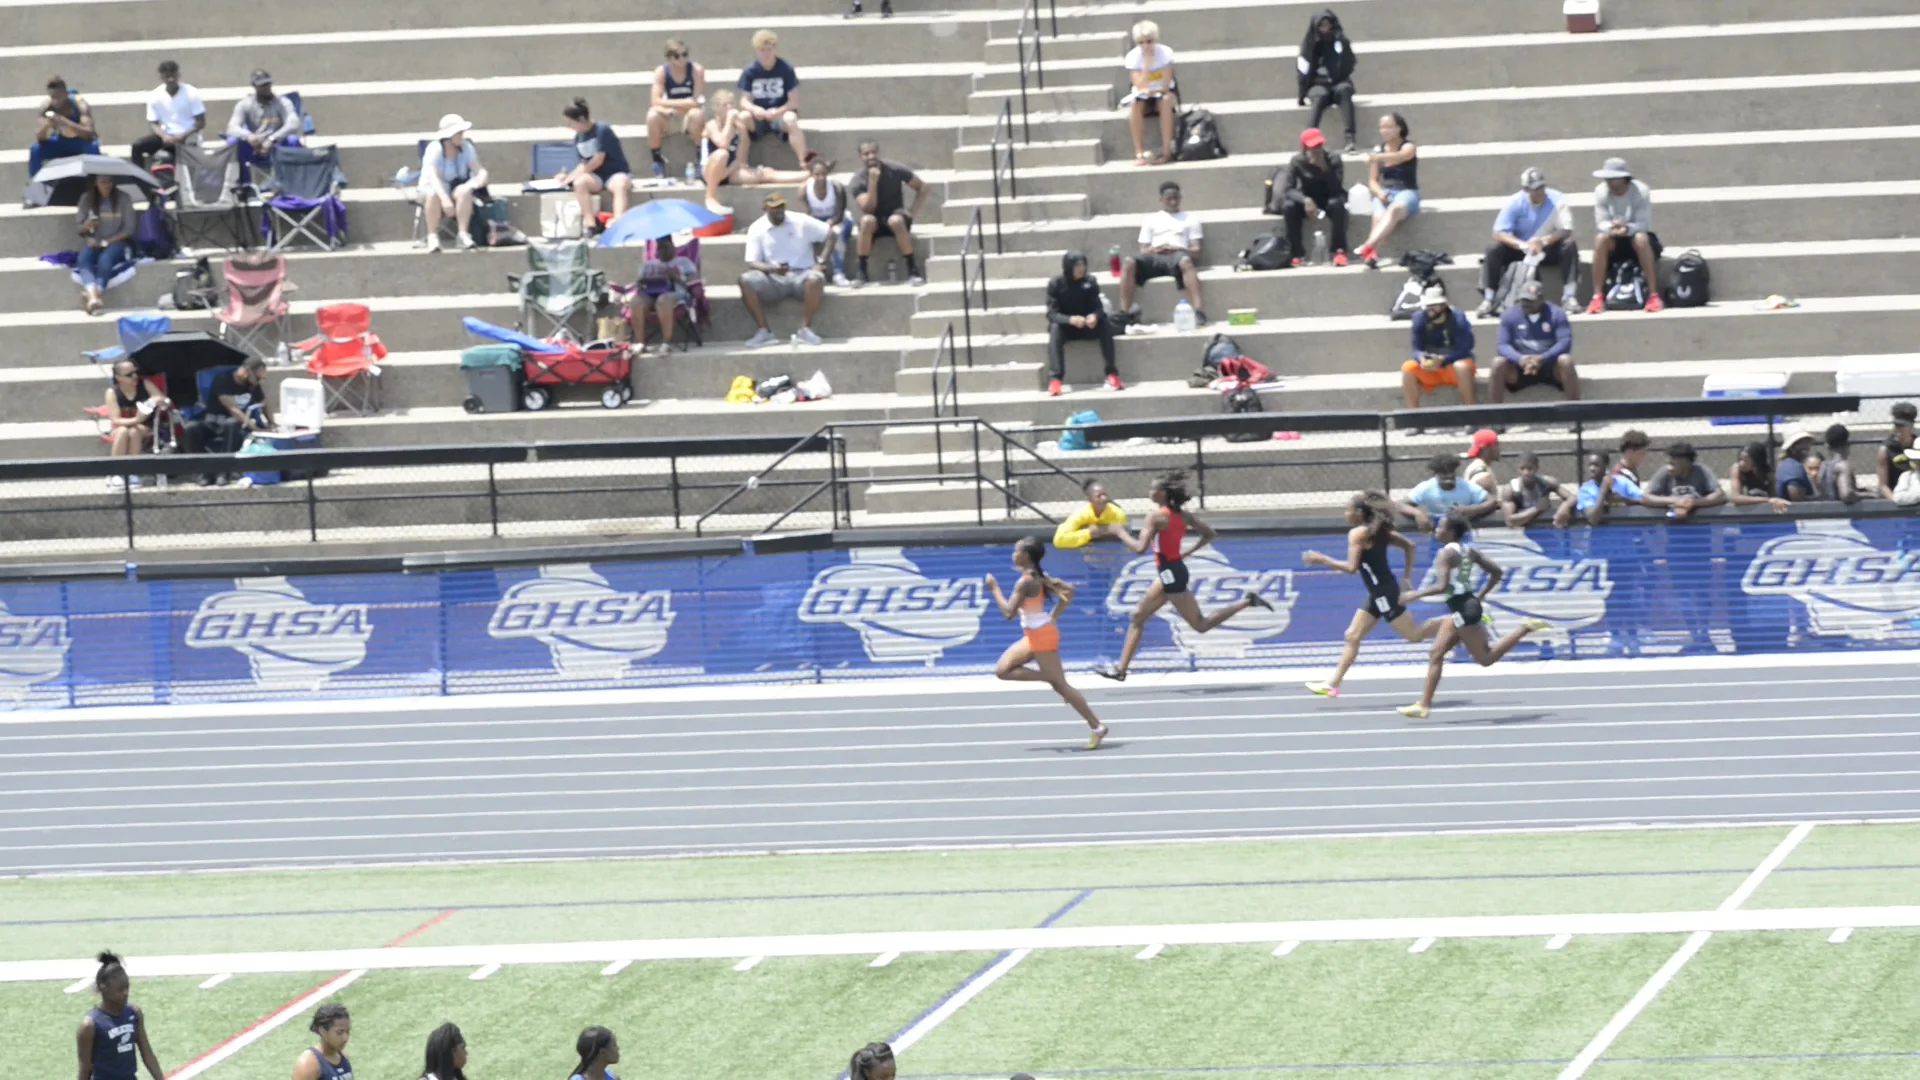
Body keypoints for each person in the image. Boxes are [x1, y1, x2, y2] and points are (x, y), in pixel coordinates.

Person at [1096, 471, 1274, 682]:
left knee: (1200, 625)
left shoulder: (1156, 517)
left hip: (1171, 575)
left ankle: (1248, 601)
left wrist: (1119, 532)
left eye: (1153, 489)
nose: (1149, 492)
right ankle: (1121, 670)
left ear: (1162, 493)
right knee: (1137, 617)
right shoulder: (1183, 516)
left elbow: (1139, 548)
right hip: (1171, 572)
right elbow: (1210, 534)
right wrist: (1187, 553)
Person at [1395, 511, 1551, 719]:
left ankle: (1525, 627)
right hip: (1465, 607)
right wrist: (1479, 597)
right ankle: (1423, 705)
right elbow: (1496, 572)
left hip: (1463, 611)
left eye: (1441, 527)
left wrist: (1414, 595)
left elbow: (1442, 586)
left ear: (1451, 531)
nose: (1437, 530)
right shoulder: (1469, 551)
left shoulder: (1445, 554)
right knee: (1436, 654)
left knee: (1485, 659)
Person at [1302, 491, 1444, 698]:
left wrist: (1321, 559)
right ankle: (1332, 685)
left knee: (1414, 635)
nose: (1345, 514)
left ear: (1359, 513)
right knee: (1352, 635)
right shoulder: (1378, 531)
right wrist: (1406, 577)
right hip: (1379, 591)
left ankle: (1457, 621)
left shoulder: (1359, 533)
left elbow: (1351, 567)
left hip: (1383, 593)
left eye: (1347, 510)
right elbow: (1410, 546)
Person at [986, 537, 1110, 749]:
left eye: (1017, 551)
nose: (1013, 555)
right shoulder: (1038, 577)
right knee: (1002, 670)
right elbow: (1069, 591)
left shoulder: (1026, 581)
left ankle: (1097, 727)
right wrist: (1053, 615)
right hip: (1035, 635)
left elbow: (1008, 612)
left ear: (1026, 556)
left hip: (1042, 637)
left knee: (1060, 685)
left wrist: (994, 588)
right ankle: (1049, 677)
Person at [1477, 167, 1577, 318]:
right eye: (1535, 189)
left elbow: (1566, 229)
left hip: (1547, 248)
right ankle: (1489, 299)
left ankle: (1569, 297)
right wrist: (1523, 245)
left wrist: (1542, 242)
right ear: (1525, 190)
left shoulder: (1557, 199)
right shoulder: (1515, 202)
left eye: (1541, 187)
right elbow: (1498, 232)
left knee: (1569, 245)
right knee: (1493, 249)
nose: (1539, 192)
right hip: (1521, 249)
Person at [740, 193, 829, 347]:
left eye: (781, 207)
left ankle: (805, 329)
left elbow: (831, 234)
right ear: (765, 209)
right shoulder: (756, 228)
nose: (778, 211)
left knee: (815, 279)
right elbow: (752, 262)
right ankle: (764, 331)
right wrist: (772, 268)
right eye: (774, 208)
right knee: (746, 280)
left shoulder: (801, 221)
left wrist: (821, 260)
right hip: (773, 278)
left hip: (802, 274)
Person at [698, 91, 808, 212]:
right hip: (710, 171)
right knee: (722, 154)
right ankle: (710, 197)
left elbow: (741, 160)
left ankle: (808, 175)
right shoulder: (711, 125)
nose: (730, 108)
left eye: (731, 104)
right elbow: (722, 144)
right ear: (716, 109)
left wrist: (727, 172)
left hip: (730, 171)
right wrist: (730, 121)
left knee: (765, 173)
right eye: (725, 105)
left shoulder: (739, 127)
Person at [1119, 181, 1206, 323]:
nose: (1173, 202)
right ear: (1161, 200)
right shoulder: (1150, 219)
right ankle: (1124, 312)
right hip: (1154, 256)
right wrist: (1154, 250)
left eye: (1176, 198)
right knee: (1129, 262)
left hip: (1177, 255)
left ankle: (1199, 311)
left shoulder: (1191, 219)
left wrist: (1178, 249)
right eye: (1169, 199)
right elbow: (1143, 249)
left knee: (1186, 262)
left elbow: (1197, 251)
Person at [847, 142, 928, 287]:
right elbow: (868, 209)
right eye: (866, 154)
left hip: (896, 217)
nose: (871, 156)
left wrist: (912, 212)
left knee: (895, 220)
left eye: (873, 152)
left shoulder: (894, 169)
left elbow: (922, 187)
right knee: (866, 221)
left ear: (878, 153)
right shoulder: (858, 180)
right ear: (861, 157)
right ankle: (862, 271)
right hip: (875, 221)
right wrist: (872, 183)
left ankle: (912, 270)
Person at [1589, 157, 1663, 314]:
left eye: (1612, 178)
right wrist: (1612, 229)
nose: (1608, 182)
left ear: (1623, 178)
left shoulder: (1641, 191)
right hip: (1614, 239)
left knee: (1641, 239)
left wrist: (1627, 229)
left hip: (1637, 237)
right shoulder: (1600, 191)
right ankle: (1597, 297)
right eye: (1607, 178)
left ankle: (1653, 295)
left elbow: (1643, 223)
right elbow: (1601, 222)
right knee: (1600, 239)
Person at [76, 951, 164, 1080]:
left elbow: (148, 1055)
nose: (125, 993)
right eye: (120, 989)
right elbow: (85, 1069)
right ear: (103, 988)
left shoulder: (134, 1013)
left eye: (127, 988)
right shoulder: (90, 1025)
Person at [1045, 251, 1122, 395]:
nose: (1081, 269)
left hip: (1087, 326)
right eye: (1077, 265)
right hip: (1067, 328)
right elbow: (1052, 314)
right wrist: (1070, 320)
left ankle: (1112, 374)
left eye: (1083, 265)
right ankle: (1055, 379)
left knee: (1105, 324)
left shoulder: (1090, 281)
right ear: (1068, 267)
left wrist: (1095, 316)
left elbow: (1099, 308)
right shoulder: (1056, 284)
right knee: (1055, 329)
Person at [1491, 280, 1578, 402]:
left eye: (1530, 300)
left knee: (1566, 361)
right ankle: (1494, 417)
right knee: (1497, 363)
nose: (1525, 304)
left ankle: (1576, 413)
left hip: (1549, 366)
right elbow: (1502, 345)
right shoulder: (1509, 316)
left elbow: (1564, 343)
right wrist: (1520, 359)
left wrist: (1542, 358)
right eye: (1523, 299)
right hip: (1520, 369)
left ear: (1541, 298)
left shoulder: (1557, 314)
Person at [558, 98, 631, 233]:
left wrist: (576, 175)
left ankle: (619, 223)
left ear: (581, 118)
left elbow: (599, 159)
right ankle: (591, 224)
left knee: (620, 185)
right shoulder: (578, 137)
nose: (569, 126)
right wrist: (569, 177)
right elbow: (583, 163)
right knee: (579, 183)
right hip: (596, 176)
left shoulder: (602, 130)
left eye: (571, 122)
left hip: (614, 173)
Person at [738, 30, 809, 166]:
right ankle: (741, 163)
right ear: (756, 51)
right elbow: (743, 100)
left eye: (769, 49)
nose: (766, 54)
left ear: (775, 49)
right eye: (762, 50)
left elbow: (793, 102)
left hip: (780, 114)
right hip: (759, 116)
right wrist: (755, 109)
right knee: (742, 117)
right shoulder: (750, 71)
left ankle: (803, 162)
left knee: (791, 119)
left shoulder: (786, 69)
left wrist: (777, 112)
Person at [419, 113, 487, 253]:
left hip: (456, 187)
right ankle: (432, 236)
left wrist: (480, 178)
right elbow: (433, 177)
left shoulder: (466, 147)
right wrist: (445, 198)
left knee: (464, 191)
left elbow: (478, 169)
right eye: (458, 133)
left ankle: (462, 234)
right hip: (434, 188)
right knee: (433, 193)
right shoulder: (435, 148)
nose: (462, 136)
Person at [1402, 286, 1475, 415]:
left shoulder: (1457, 318)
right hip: (1431, 368)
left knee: (1462, 367)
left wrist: (1443, 360)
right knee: (1408, 368)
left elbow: (1465, 348)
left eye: (1435, 305)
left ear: (1444, 305)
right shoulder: (1419, 318)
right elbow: (1416, 348)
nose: (1431, 309)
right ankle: (1413, 417)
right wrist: (1421, 358)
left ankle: (1470, 413)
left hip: (1453, 364)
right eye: (1428, 305)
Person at [1355, 112, 1416, 268]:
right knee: (1379, 215)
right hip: (1386, 192)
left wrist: (1375, 157)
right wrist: (1379, 192)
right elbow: (1373, 181)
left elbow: (1400, 156)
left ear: (1399, 128)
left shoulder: (1408, 146)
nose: (1384, 131)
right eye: (1382, 127)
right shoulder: (1378, 151)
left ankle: (1368, 245)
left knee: (1395, 209)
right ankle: (1372, 255)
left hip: (1406, 191)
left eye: (1389, 127)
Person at [199, 356, 275, 478]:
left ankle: (224, 471)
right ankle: (204, 470)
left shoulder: (252, 385)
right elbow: (233, 409)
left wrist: (272, 423)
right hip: (215, 421)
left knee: (233, 423)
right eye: (258, 377)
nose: (259, 381)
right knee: (191, 428)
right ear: (248, 371)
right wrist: (256, 429)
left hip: (235, 425)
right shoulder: (223, 380)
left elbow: (265, 403)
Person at [102, 359, 171, 488]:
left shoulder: (144, 384)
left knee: (134, 431)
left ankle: (133, 472)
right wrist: (137, 419)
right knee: (123, 431)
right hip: (121, 427)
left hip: (144, 428)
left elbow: (161, 398)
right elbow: (116, 420)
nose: (135, 377)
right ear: (118, 378)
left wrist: (153, 401)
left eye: (136, 373)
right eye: (129, 375)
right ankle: (116, 473)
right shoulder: (112, 393)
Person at [1295, 9, 1357, 153]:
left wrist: (1342, 46)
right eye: (1321, 26)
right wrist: (1301, 96)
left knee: (1345, 90)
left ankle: (1350, 138)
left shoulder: (1340, 42)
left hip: (1338, 83)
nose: (1325, 29)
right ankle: (1308, 143)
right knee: (1320, 96)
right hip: (1317, 85)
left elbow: (1350, 63)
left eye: (1327, 25)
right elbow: (1302, 72)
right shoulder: (1308, 46)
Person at [74, 175, 137, 316]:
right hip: (95, 241)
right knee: (84, 258)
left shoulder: (123, 198)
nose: (107, 185)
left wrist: (106, 242)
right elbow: (79, 229)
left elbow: (129, 229)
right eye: (103, 182)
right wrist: (87, 226)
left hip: (118, 241)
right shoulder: (87, 199)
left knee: (106, 258)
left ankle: (95, 294)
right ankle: (93, 296)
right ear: (95, 183)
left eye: (109, 181)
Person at [647, 40, 707, 179]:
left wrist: (667, 103)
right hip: (671, 116)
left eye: (685, 55)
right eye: (677, 56)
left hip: (689, 117)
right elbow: (655, 101)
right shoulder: (661, 72)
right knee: (652, 116)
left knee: (697, 114)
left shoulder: (696, 70)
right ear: (669, 58)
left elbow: (697, 101)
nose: (682, 59)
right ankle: (657, 160)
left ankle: (700, 158)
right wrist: (682, 104)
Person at [1122, 20, 1179, 165]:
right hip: (1143, 95)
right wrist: (1147, 64)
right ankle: (1139, 152)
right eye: (1141, 42)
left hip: (1163, 93)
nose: (1146, 46)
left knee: (1165, 101)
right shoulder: (1133, 57)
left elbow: (1166, 84)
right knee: (1135, 104)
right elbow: (1139, 84)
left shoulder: (1165, 53)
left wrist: (1153, 91)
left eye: (1149, 41)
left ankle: (1166, 152)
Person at [224, 71, 301, 175]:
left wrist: (272, 139)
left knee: (293, 140)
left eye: (268, 84)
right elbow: (231, 128)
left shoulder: (283, 102)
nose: (266, 88)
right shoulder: (245, 104)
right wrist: (248, 136)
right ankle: (243, 183)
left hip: (277, 145)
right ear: (254, 86)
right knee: (232, 142)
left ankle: (292, 180)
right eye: (262, 85)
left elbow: (294, 123)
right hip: (255, 146)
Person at [132, 61, 204, 172]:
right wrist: (164, 136)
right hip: (166, 138)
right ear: (161, 77)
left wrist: (182, 136)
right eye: (167, 77)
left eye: (173, 76)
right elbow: (153, 123)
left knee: (178, 155)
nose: (171, 80)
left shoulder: (191, 93)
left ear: (178, 75)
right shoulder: (154, 95)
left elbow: (200, 122)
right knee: (137, 146)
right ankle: (140, 180)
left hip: (187, 138)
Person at [1397, 453, 1496, 529]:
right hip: (1437, 532)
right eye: (1443, 473)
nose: (1448, 476)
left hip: (1462, 531)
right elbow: (1400, 505)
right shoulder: (1426, 487)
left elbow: (1492, 501)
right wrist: (1417, 514)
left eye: (1451, 472)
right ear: (1435, 474)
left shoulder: (1467, 486)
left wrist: (1471, 510)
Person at [636, 234, 696, 354]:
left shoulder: (684, 262)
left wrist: (677, 277)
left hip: (676, 294)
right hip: (651, 293)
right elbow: (638, 284)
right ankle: (640, 343)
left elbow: (694, 282)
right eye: (659, 248)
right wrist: (644, 280)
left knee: (664, 300)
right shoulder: (648, 264)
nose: (662, 251)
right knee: (636, 302)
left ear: (673, 247)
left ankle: (666, 343)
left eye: (665, 247)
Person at [797, 156, 852, 286]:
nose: (820, 177)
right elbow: (807, 215)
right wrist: (818, 227)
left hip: (838, 219)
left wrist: (827, 225)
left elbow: (839, 214)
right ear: (811, 174)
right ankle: (808, 270)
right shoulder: (804, 190)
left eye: (823, 174)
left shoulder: (837, 187)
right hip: (816, 221)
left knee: (836, 234)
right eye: (817, 174)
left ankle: (838, 273)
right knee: (802, 235)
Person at [30, 76, 98, 177]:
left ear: (65, 94)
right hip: (61, 141)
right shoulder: (47, 107)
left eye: (58, 97)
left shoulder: (79, 104)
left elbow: (89, 133)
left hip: (80, 142)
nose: (55, 101)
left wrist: (63, 121)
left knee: (93, 147)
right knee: (36, 149)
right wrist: (46, 127)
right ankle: (36, 183)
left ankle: (95, 180)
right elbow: (40, 138)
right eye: (53, 97)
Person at [1645, 441, 1727, 520]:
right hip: (1673, 520)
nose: (1669, 468)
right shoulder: (1664, 472)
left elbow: (1720, 495)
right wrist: (1675, 501)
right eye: (1668, 463)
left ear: (1685, 464)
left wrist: (1693, 502)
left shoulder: (1701, 471)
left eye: (1672, 464)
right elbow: (1646, 497)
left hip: (1698, 521)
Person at [1500, 451, 1572, 527]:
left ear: (1537, 468)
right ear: (1518, 469)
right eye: (1522, 468)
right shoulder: (1510, 489)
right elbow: (1510, 522)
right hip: (1522, 531)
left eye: (1530, 468)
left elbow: (1572, 497)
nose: (1526, 472)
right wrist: (1537, 508)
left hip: (1545, 528)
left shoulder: (1547, 482)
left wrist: (1565, 507)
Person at [1053, 478, 1128, 548]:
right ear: (1090, 500)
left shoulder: (1117, 513)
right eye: (1099, 496)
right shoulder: (1081, 515)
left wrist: (1102, 531)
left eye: (1105, 494)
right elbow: (1059, 540)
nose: (1104, 498)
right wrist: (1089, 533)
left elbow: (1125, 538)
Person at [1727, 441, 1792, 513]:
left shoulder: (1768, 474)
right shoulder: (1737, 469)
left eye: (1746, 460)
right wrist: (1768, 500)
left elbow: (1774, 496)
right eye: (1740, 459)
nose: (1741, 463)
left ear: (1756, 461)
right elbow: (1736, 498)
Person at [291, 1004, 351, 1080]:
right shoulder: (308, 1064)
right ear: (322, 1031)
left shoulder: (343, 1057)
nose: (345, 1038)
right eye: (339, 1033)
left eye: (348, 1031)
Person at [1813, 424, 1862, 504]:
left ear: (1827, 445)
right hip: (1842, 514)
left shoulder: (1823, 466)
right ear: (1847, 443)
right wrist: (1870, 495)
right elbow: (1846, 494)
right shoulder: (1843, 466)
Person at [1880, 402, 1917, 498]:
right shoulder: (1886, 449)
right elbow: (1883, 486)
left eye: (1902, 426)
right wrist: (1896, 502)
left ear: (1911, 426)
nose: (1898, 430)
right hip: (1896, 499)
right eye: (1896, 425)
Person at [1776, 426, 1817, 502]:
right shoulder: (1794, 468)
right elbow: (1799, 503)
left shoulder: (1786, 464)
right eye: (1801, 443)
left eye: (1807, 442)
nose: (1806, 446)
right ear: (1792, 447)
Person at [1461, 428, 1501, 495]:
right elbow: (1492, 502)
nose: (1499, 449)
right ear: (1486, 449)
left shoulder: (1479, 465)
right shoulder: (1482, 476)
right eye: (1496, 445)